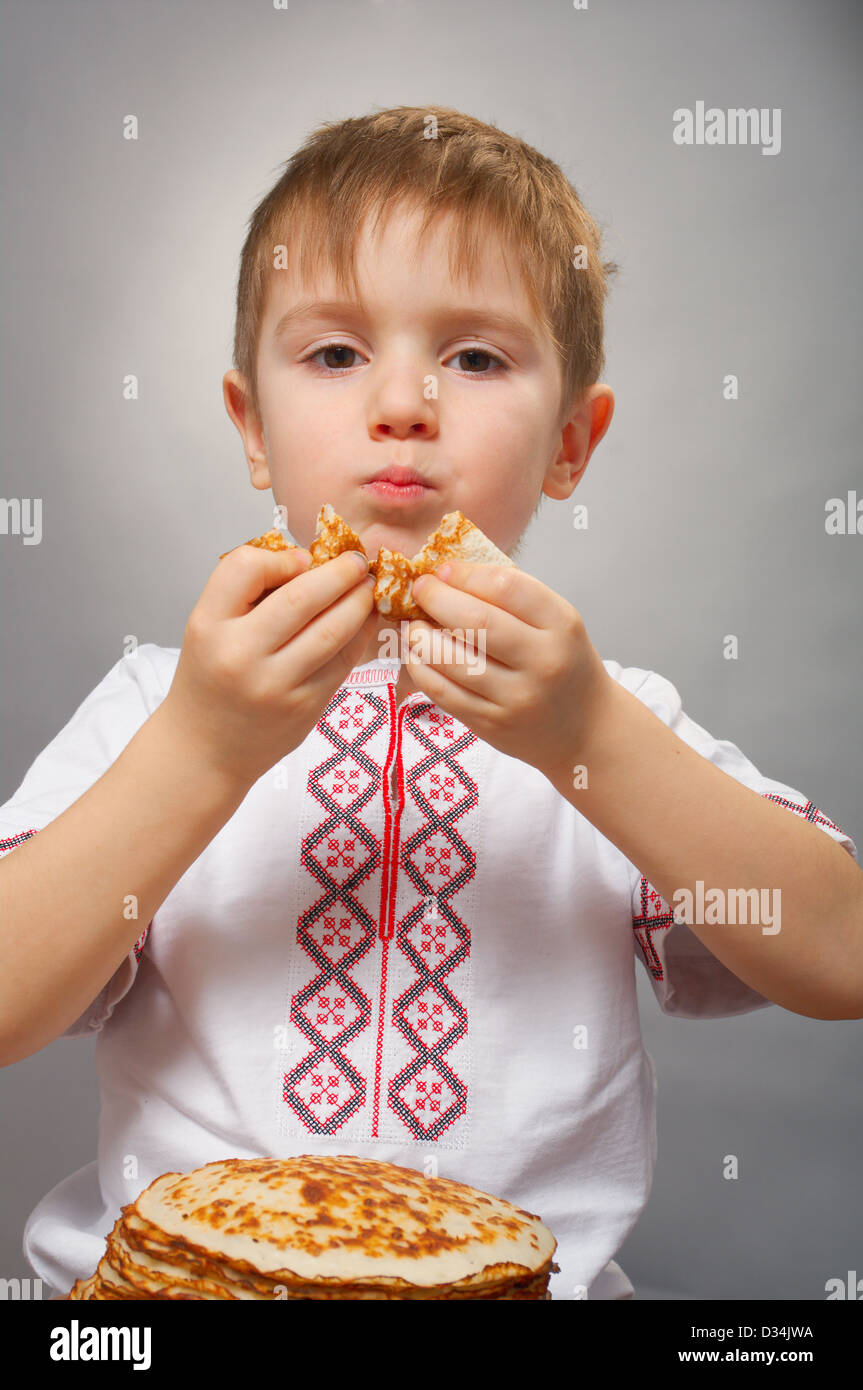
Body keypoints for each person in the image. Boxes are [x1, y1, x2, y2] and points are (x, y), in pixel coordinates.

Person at [1, 106, 860, 1302]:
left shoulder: (610, 715)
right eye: (336, 354)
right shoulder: (158, 699)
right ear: (251, 425)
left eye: (475, 357)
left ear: (571, 443)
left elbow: (839, 952)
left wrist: (591, 746)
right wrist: (200, 749)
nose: (404, 402)